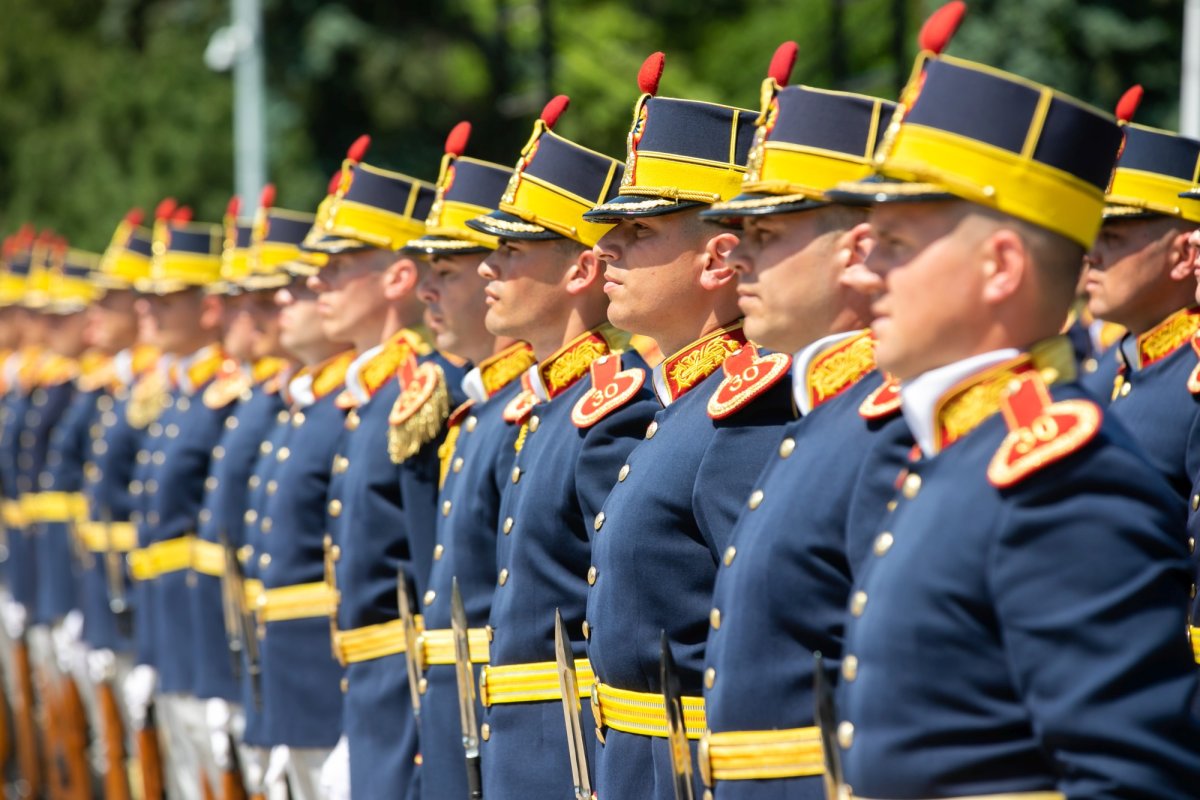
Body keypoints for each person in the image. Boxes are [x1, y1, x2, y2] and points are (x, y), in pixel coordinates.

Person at [822, 13, 1200, 796]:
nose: (861, 276)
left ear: (999, 266)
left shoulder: (1059, 482)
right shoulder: (965, 451)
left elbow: (1132, 783)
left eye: (894, 244)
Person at [695, 48, 914, 800]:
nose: (737, 265)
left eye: (767, 237)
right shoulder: (821, 407)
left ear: (853, 249)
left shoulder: (890, 419)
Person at [580, 52, 794, 800]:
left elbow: (764, 648)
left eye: (638, 232)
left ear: (717, 259)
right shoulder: (685, 401)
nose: (608, 247)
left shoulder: (745, 411)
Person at [463, 95, 660, 800]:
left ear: (578, 274)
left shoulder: (610, 410)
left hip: (569, 753)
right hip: (521, 744)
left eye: (512, 251)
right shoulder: (549, 405)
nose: (488, 268)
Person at [302, 137, 465, 799]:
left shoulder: (420, 393)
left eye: (340, 264)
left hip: (406, 701)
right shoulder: (372, 396)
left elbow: (435, 579)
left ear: (397, 278)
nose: (319, 282)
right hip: (366, 694)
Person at [398, 120, 532, 800]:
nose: (429, 292)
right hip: (455, 711)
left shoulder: (523, 411)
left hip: (508, 723)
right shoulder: (480, 407)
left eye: (446, 272)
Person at [239, 195, 352, 800]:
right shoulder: (303, 404)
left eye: (305, 285)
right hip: (284, 668)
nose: (284, 301)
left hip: (329, 678)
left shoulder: (353, 407)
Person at [125, 202, 235, 800]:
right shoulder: (183, 391)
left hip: (204, 638)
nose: (149, 311)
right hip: (168, 631)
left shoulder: (224, 395)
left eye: (166, 300)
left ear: (208, 307)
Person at [1079, 115, 1200, 507]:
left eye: (1112, 237)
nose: (1091, 256)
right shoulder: (1125, 366)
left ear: (1184, 255)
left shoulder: (1190, 385)